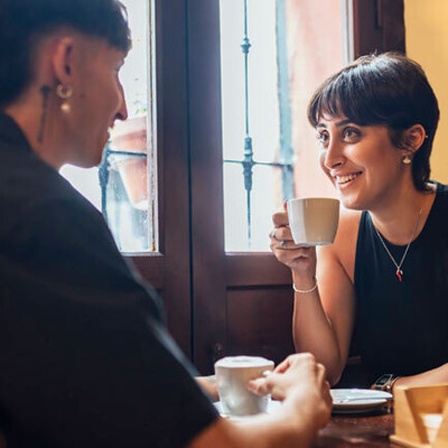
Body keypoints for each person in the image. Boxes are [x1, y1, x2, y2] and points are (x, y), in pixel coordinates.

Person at [0, 0, 332, 446]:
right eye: (116, 68)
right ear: (66, 62)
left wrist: (215, 384)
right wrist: (304, 410)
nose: (122, 108)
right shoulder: (47, 217)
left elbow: (83, 379)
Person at [270, 52, 448, 393]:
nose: (330, 158)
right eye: (324, 136)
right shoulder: (342, 238)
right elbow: (324, 370)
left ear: (411, 140)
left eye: (350, 133)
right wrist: (302, 271)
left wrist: (393, 387)